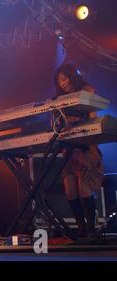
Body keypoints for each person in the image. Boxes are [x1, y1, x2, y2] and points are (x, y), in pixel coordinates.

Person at [54, 64, 104, 239]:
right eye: (58, 80)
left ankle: (91, 229)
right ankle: (82, 228)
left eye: (63, 79)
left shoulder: (86, 90)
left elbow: (93, 117)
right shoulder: (59, 98)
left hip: (85, 145)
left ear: (71, 76)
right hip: (69, 148)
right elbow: (57, 123)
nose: (61, 83)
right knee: (70, 190)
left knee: (84, 188)